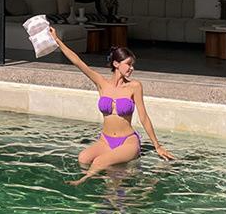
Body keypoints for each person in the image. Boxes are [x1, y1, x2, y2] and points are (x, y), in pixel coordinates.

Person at [49, 29, 175, 185]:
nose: (132, 68)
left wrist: (157, 146)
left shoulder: (135, 86)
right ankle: (117, 176)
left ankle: (82, 181)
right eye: (128, 64)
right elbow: (78, 62)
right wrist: (57, 40)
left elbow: (143, 117)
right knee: (83, 158)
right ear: (116, 64)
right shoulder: (102, 83)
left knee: (100, 162)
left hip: (127, 141)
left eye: (132, 65)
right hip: (106, 140)